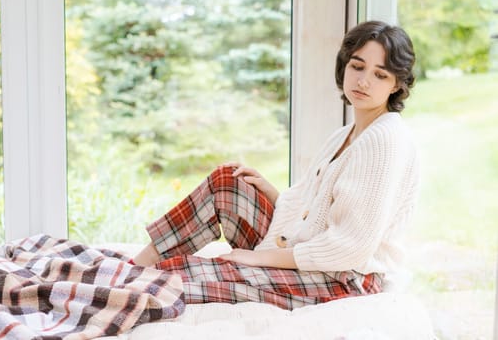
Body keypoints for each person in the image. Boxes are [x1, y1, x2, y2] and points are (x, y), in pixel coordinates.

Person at [131, 20, 419, 310]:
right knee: (227, 182)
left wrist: (258, 258)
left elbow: (349, 247)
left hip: (345, 280)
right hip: (313, 258)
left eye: (380, 75)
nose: (364, 81)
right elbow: (313, 210)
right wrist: (270, 193)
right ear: (345, 65)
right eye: (357, 66)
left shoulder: (384, 140)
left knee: (185, 275)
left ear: (396, 84)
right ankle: (136, 266)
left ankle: (131, 281)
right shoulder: (346, 135)